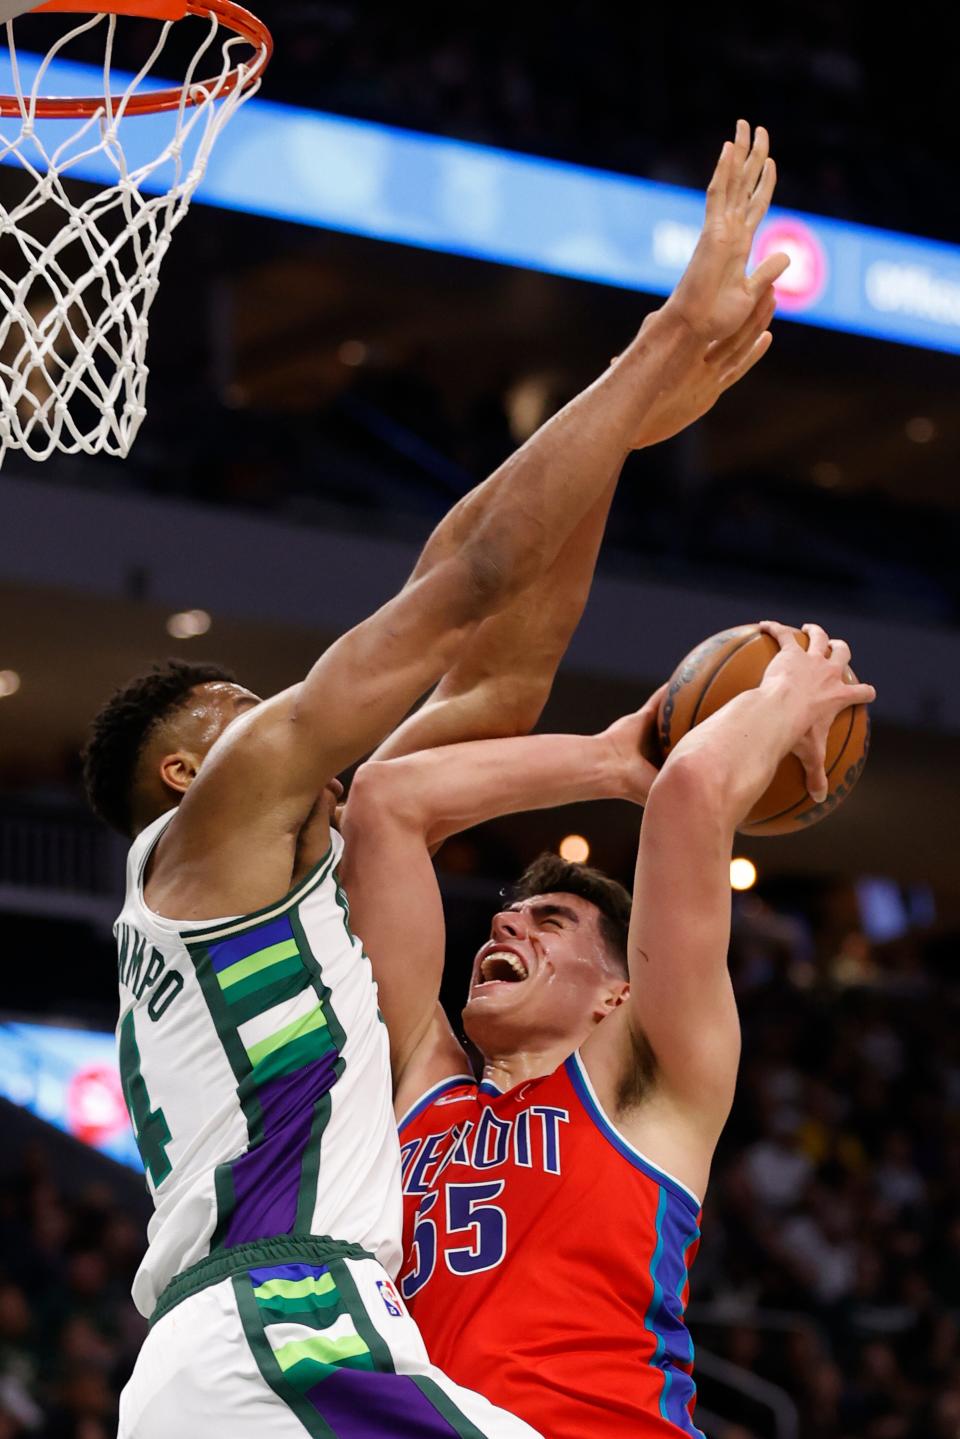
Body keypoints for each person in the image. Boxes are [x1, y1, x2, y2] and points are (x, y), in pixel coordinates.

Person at [82, 120, 786, 1437]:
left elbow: (490, 685)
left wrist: (619, 448)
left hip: (251, 1358)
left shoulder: (292, 888)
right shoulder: (232, 820)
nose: (298, 733)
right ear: (192, 767)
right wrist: (655, 351)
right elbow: (459, 588)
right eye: (253, 714)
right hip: (280, 1331)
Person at [340, 621, 877, 1438]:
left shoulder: (648, 1082)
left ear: (618, 995)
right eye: (505, 918)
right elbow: (384, 802)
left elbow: (693, 788)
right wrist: (608, 760)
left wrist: (782, 697)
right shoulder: (423, 1082)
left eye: (548, 921)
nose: (504, 931)